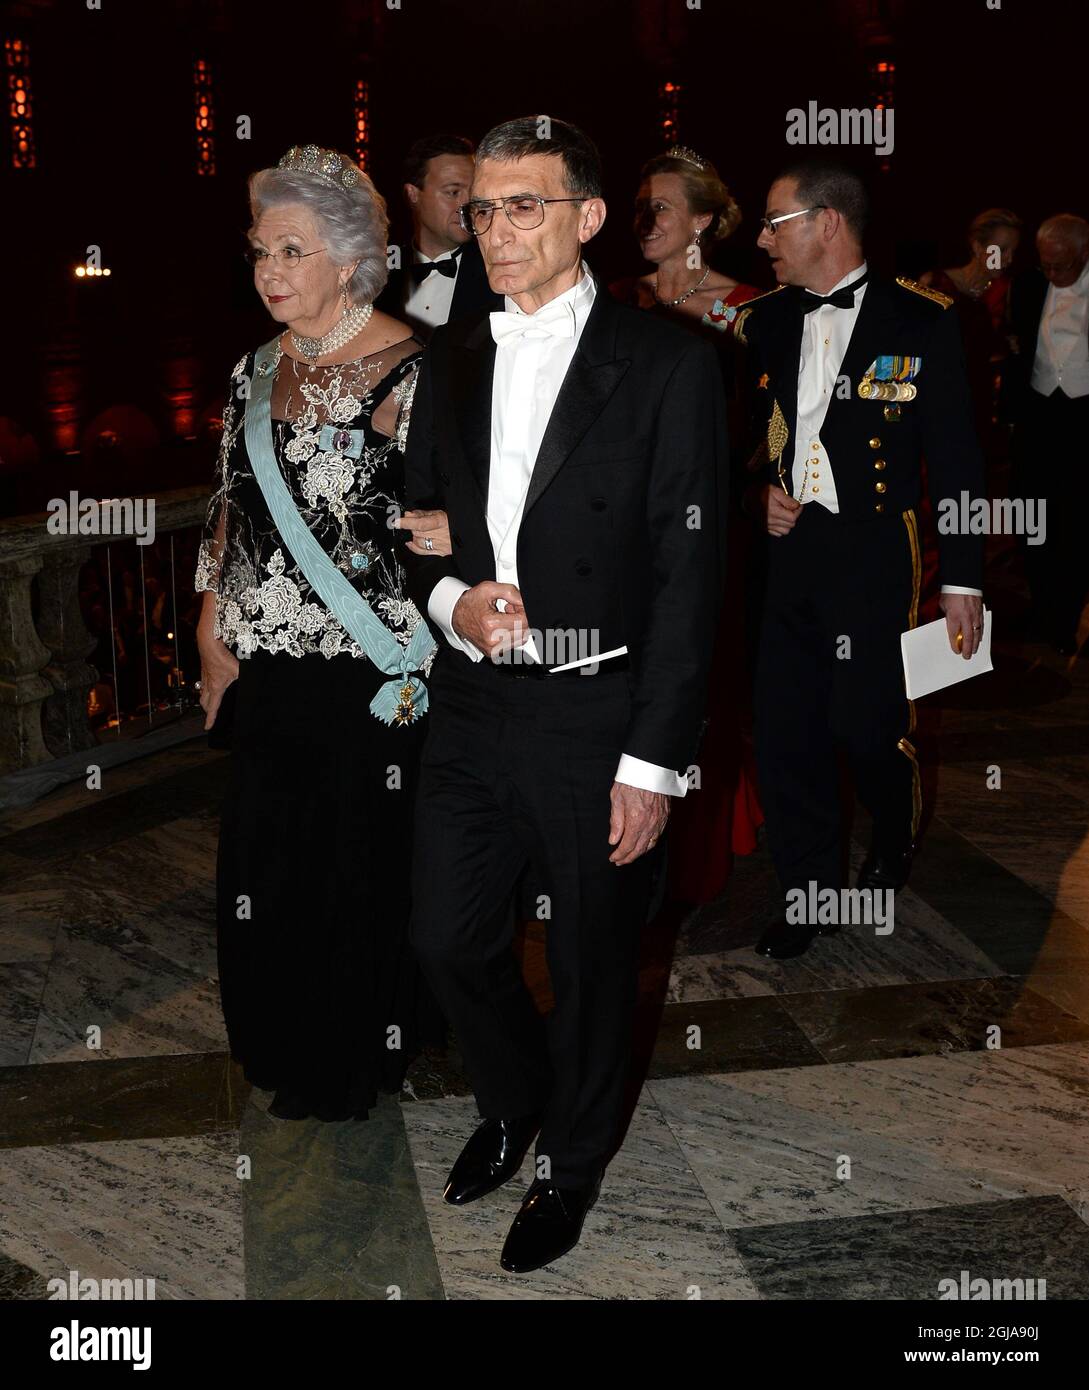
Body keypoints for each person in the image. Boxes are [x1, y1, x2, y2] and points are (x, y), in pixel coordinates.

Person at [401, 116, 726, 1272]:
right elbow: (414, 526)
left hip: (598, 710)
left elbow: (693, 580)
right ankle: (511, 1092)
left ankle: (567, 1163)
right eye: (482, 208)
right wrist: (455, 603)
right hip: (476, 701)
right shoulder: (451, 354)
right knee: (446, 937)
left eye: (523, 206)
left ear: (588, 218)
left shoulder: (672, 364)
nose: (494, 230)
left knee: (592, 962)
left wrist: (654, 761)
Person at [195, 144, 447, 1123]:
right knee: (266, 864)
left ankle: (350, 1055)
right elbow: (230, 513)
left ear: (349, 261)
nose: (268, 271)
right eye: (260, 251)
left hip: (372, 673)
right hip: (270, 670)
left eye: (291, 251)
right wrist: (211, 631)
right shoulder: (253, 370)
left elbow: (456, 521)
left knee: (357, 868)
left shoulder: (410, 370)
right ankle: (279, 1037)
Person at [740, 158, 986, 960]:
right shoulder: (764, 321)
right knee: (787, 729)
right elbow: (742, 444)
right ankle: (805, 890)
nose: (762, 239)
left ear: (826, 224)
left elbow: (955, 459)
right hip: (787, 550)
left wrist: (962, 580)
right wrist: (757, 495)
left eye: (775, 222)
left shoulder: (921, 320)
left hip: (879, 548)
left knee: (868, 723)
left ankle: (891, 835)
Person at [610, 145, 763, 903]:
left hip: (714, 527)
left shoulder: (750, 308)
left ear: (703, 219)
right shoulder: (611, 299)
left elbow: (781, 427)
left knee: (699, 677)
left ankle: (702, 857)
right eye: (638, 206)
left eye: (660, 207)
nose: (644, 220)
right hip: (618, 536)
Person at [1004, 213, 1089, 655]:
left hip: (1083, 417)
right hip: (1040, 417)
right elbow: (1016, 351)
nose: (1052, 274)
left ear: (1084, 253)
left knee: (1078, 522)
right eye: (1046, 264)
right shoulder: (1029, 286)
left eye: (1062, 266)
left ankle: (1071, 617)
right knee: (1034, 516)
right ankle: (1043, 612)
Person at [375, 133, 498, 340]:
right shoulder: (378, 275)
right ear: (413, 194)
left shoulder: (497, 272)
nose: (467, 206)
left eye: (473, 192)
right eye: (453, 192)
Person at [920, 208, 1022, 451]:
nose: (1009, 259)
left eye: (1013, 251)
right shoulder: (934, 284)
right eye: (1002, 250)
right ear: (978, 247)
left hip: (980, 404)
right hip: (936, 403)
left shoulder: (1009, 292)